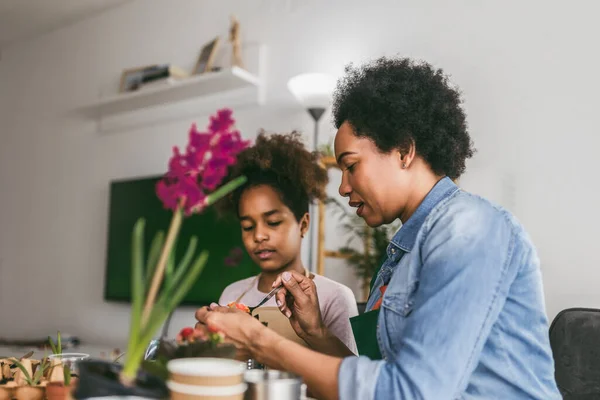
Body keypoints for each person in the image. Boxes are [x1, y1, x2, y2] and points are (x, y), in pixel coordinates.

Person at [196, 57, 561, 399]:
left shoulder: (467, 230)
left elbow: (411, 393)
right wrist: (316, 332)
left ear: (404, 152)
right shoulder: (399, 257)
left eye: (351, 166)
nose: (342, 187)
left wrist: (261, 342)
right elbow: (375, 378)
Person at [215, 132, 358, 355]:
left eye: (272, 222)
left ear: (303, 225)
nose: (259, 236)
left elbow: (351, 378)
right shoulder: (232, 295)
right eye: (248, 226)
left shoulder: (334, 297)